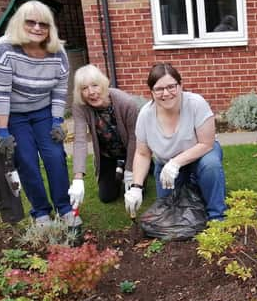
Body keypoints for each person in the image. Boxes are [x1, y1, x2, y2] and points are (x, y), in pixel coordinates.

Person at [0, 0, 78, 229]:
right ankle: (41, 212)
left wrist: (58, 120)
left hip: (44, 112)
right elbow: (1, 94)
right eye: (31, 22)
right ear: (20, 23)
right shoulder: (4, 49)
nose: (38, 28)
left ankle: (65, 208)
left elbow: (59, 90)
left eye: (44, 24)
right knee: (26, 161)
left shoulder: (57, 52)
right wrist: (2, 130)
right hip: (15, 115)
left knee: (55, 157)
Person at [124, 63, 226, 221]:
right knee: (169, 213)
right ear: (151, 92)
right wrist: (136, 187)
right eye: (159, 89)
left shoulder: (195, 103)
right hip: (166, 165)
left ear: (180, 85)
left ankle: (217, 215)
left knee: (210, 166)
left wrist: (176, 163)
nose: (166, 93)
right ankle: (193, 182)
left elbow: (207, 143)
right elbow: (142, 153)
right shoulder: (145, 115)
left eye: (171, 86)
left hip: (200, 154)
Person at [68, 64, 140, 212]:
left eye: (95, 85)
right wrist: (78, 178)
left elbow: (134, 138)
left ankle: (141, 168)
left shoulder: (126, 103)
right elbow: (80, 140)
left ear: (103, 85)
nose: (91, 92)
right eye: (84, 88)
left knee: (137, 191)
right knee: (107, 197)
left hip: (130, 151)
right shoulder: (80, 106)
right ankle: (118, 169)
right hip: (107, 154)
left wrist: (130, 169)